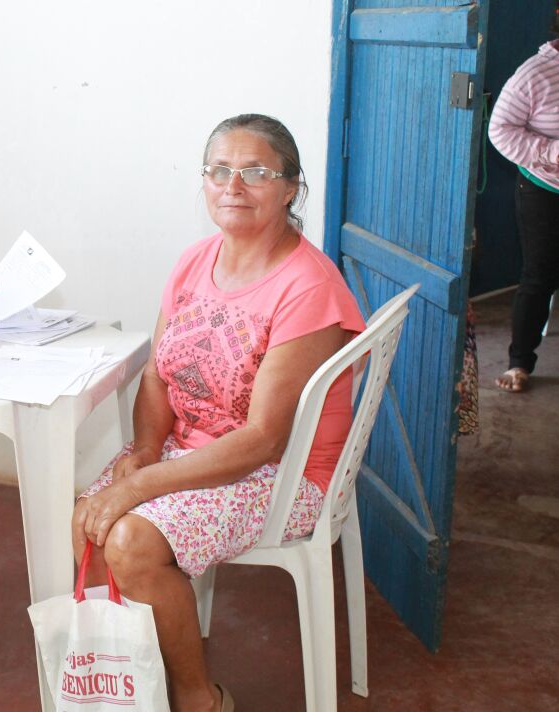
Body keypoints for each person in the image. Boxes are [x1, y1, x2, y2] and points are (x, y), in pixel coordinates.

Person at [71, 114, 365, 712]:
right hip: (190, 448)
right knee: (84, 523)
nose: (233, 186)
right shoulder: (193, 262)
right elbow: (157, 374)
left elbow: (263, 439)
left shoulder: (307, 286)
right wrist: (146, 450)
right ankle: (132, 685)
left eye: (256, 172)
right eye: (219, 170)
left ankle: (199, 699)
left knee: (129, 540)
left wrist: (141, 484)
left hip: (282, 474)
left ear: (291, 188)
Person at [488, 16, 559, 393]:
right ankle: (520, 362)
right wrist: (552, 152)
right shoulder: (535, 74)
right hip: (544, 188)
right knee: (539, 276)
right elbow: (499, 130)